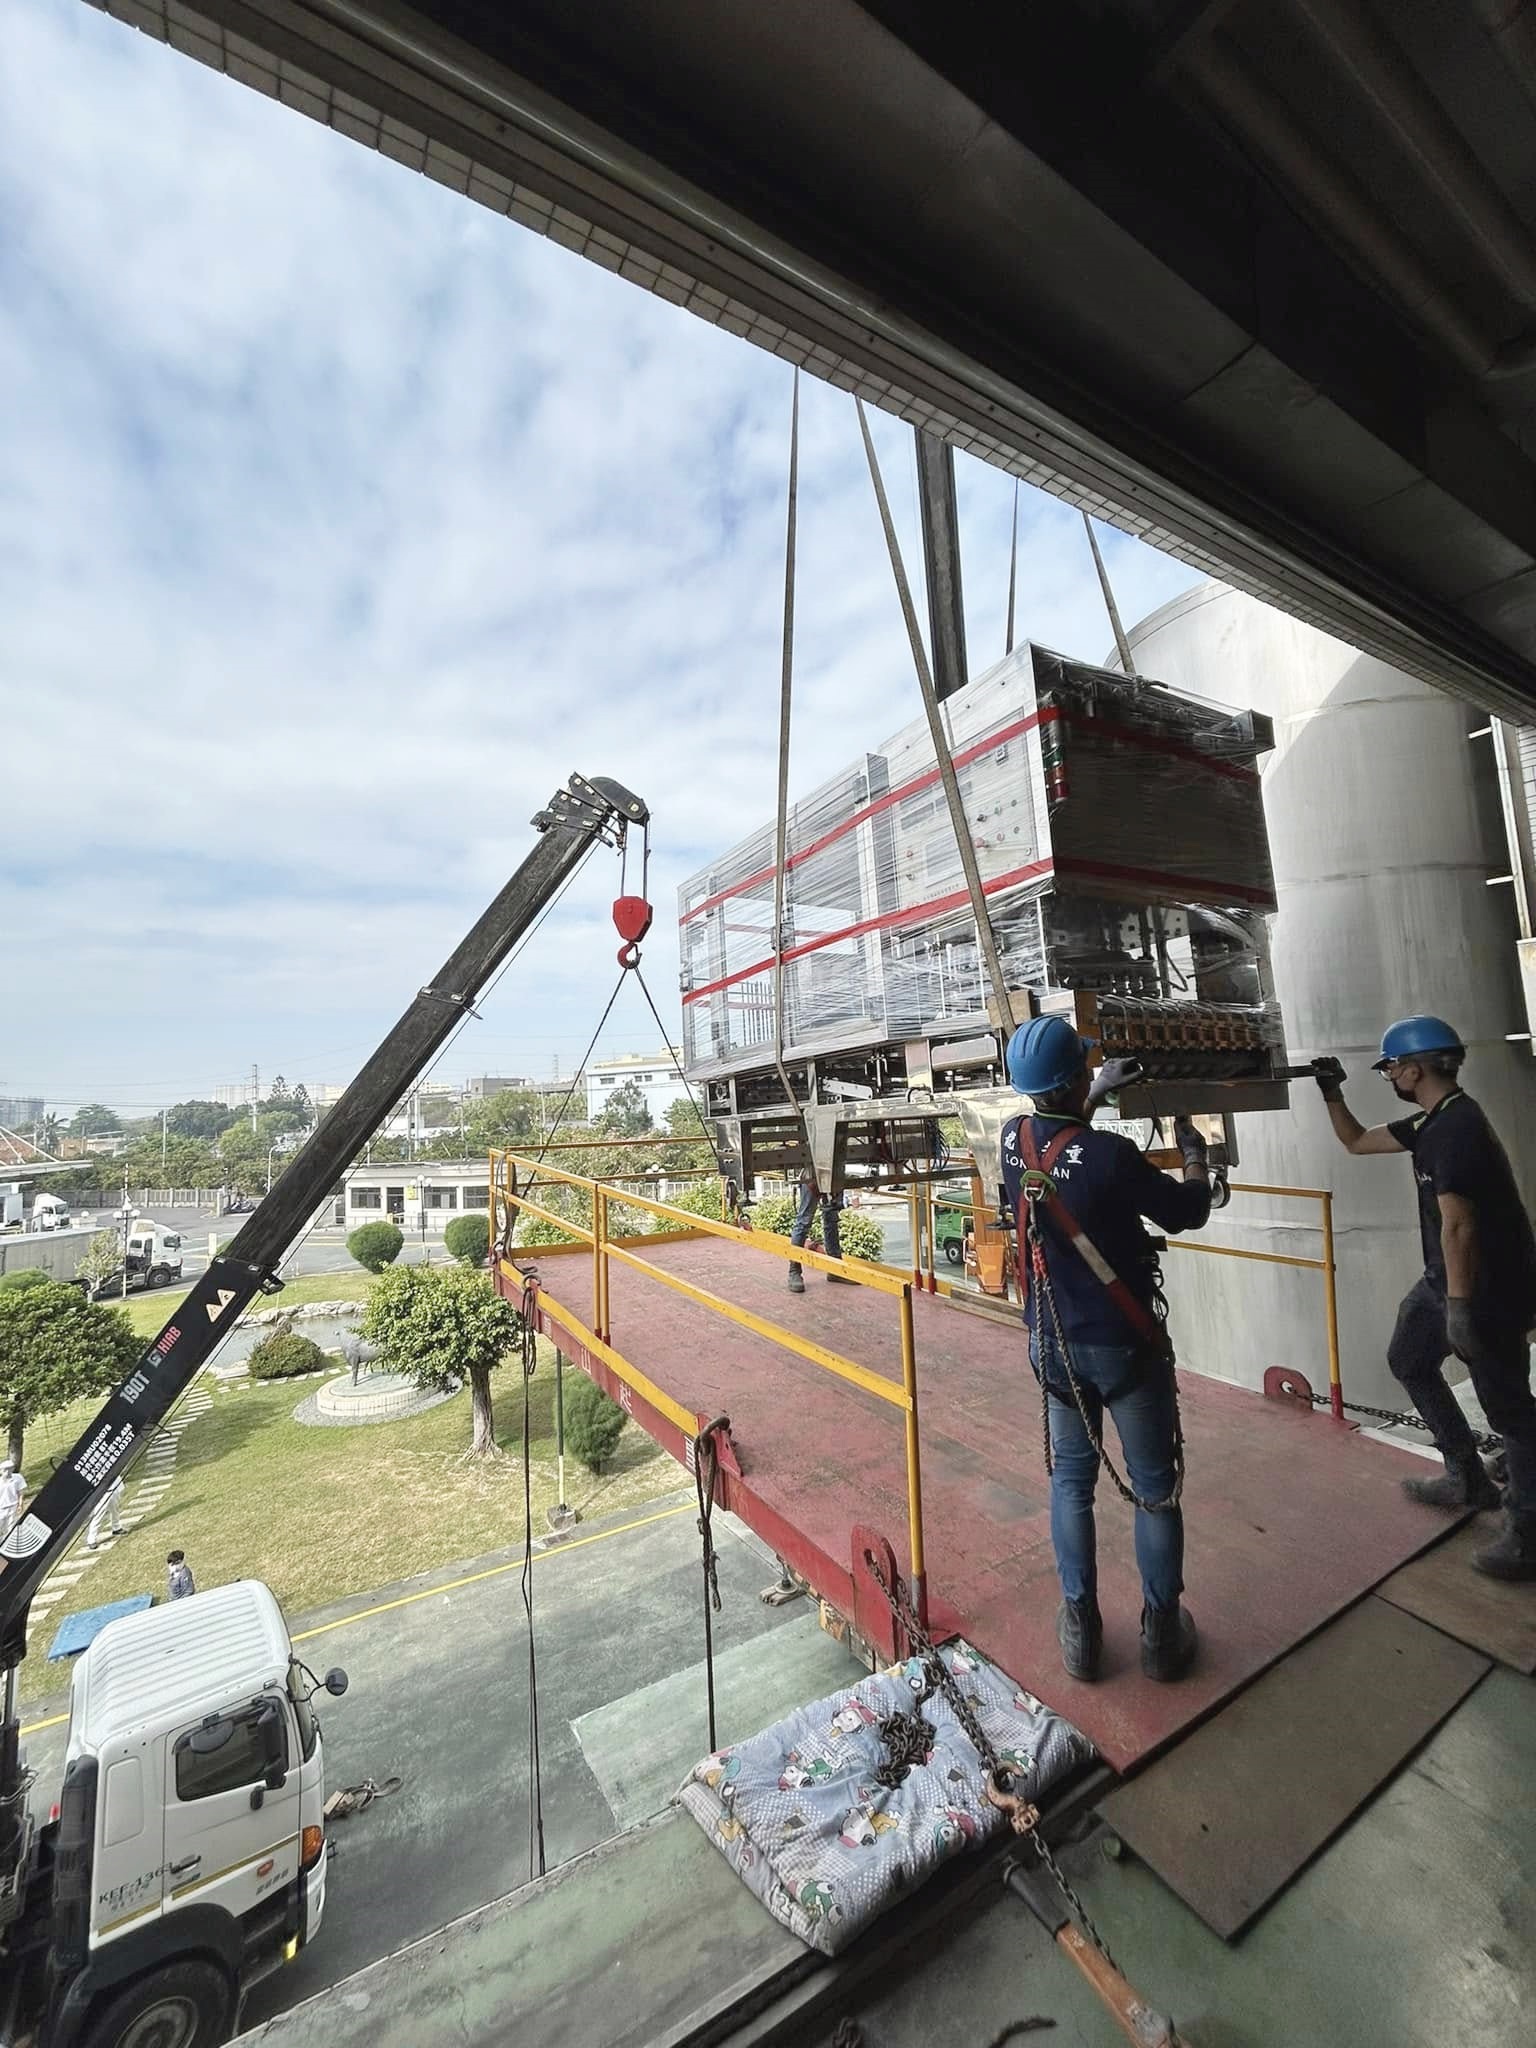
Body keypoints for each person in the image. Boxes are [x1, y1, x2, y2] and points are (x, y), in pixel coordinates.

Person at [1000, 1016, 1213, 1683]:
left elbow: (1061, 1147)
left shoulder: (1012, 1142)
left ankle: (1081, 1633)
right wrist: (1199, 1154)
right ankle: (1160, 1636)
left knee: (1071, 1483)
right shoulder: (1115, 1158)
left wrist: (1089, 1098)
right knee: (1153, 1491)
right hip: (1123, 1349)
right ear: (1075, 1077)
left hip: (1054, 1344)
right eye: (1086, 1070)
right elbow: (1186, 1212)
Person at [1316, 1015, 1536, 1580]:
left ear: (1414, 1069)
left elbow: (1458, 1225)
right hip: (1446, 1283)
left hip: (1487, 1290)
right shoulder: (1432, 1121)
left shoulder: (1455, 1131)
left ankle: (1528, 1534)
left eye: (1390, 1066)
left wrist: (1461, 1309)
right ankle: (1467, 1476)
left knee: (1510, 1410)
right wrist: (1331, 1092)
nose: (1388, 1074)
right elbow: (1357, 1141)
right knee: (1409, 1358)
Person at [786, 1166, 853, 1294]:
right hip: (812, 1174)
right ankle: (794, 1271)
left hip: (834, 1174)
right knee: (804, 1221)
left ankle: (835, 1270)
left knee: (831, 1217)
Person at [85, 1474, 125, 1551]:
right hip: (100, 1487)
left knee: (115, 1508)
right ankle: (91, 1539)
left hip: (113, 1484)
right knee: (98, 1513)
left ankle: (116, 1527)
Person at [0, 1459, 26, 1539]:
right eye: (5, 1470)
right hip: (1, 1508)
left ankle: (9, 1542)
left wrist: (20, 1504)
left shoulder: (18, 1478)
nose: (7, 1472)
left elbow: (21, 1493)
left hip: (13, 1506)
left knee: (11, 1527)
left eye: (10, 1469)